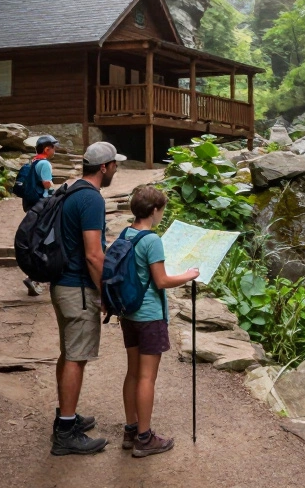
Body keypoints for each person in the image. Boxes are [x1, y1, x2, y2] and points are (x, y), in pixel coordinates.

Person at [49, 141, 126, 456]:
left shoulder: (70, 191)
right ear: (105, 167)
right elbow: (94, 255)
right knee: (77, 358)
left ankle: (65, 416)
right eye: (115, 165)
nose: (116, 169)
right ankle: (66, 433)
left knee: (68, 354)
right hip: (78, 288)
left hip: (61, 285)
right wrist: (106, 293)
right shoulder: (91, 199)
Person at [119, 186, 199, 458]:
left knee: (132, 373)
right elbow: (162, 281)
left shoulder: (126, 233)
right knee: (147, 377)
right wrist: (189, 275)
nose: (162, 214)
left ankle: (130, 430)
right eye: (162, 210)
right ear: (154, 211)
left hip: (128, 314)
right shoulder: (152, 240)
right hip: (150, 316)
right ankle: (145, 437)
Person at [21, 135, 59, 297]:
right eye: (53, 147)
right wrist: (57, 192)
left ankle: (35, 277)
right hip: (43, 205)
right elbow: (46, 184)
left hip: (33, 205)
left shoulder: (34, 161)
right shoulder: (44, 164)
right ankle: (34, 277)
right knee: (45, 239)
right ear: (46, 149)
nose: (55, 150)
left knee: (38, 238)